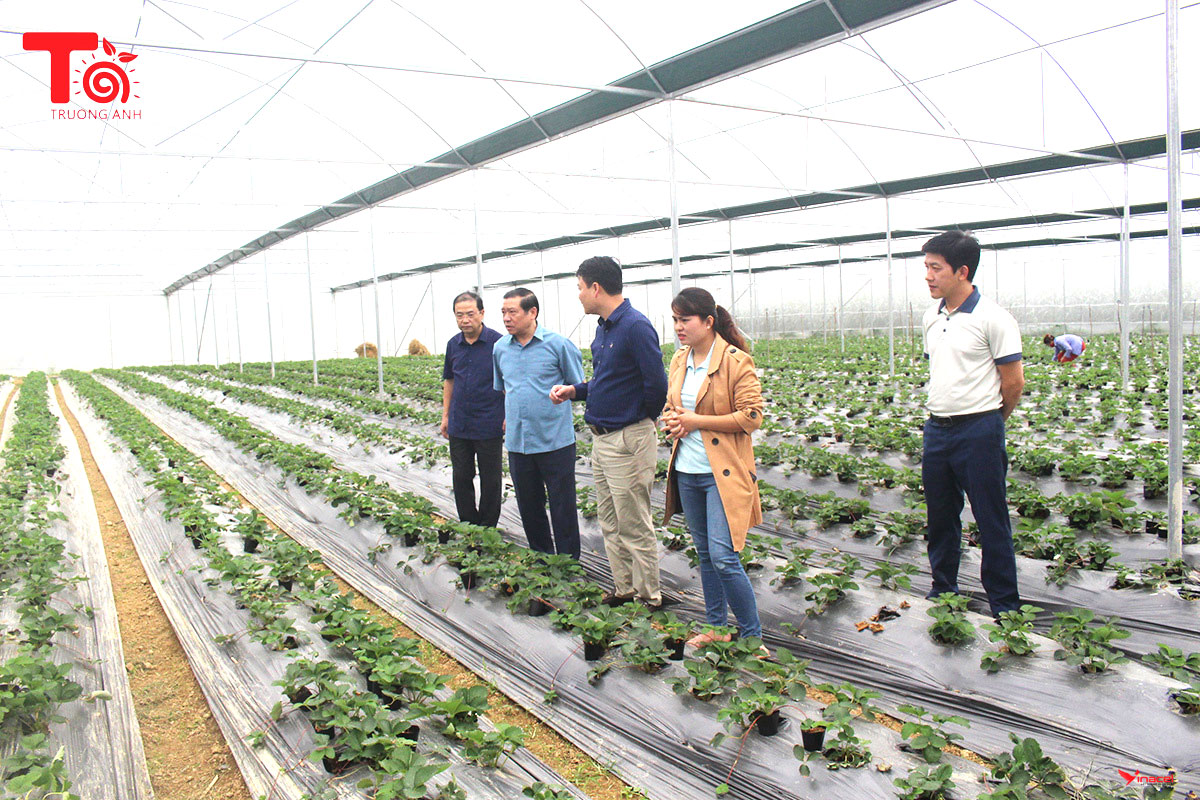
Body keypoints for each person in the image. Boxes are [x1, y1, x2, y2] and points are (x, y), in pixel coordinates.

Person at [550, 257, 668, 609]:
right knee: (610, 520)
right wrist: (575, 390)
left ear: (596, 288)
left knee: (633, 522)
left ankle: (648, 596)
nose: (579, 295)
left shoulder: (635, 327)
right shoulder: (604, 329)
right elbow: (606, 381)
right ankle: (624, 588)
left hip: (627, 438)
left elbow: (657, 385)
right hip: (602, 439)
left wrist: (641, 422)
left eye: (580, 287)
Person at [921, 231, 1025, 619]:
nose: (928, 276)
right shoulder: (931, 317)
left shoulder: (994, 318)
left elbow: (1013, 382)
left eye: (936, 268)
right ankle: (942, 589)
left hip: (979, 430)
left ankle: (1005, 606)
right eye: (926, 267)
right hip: (937, 430)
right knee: (940, 516)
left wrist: (990, 422)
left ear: (962, 272)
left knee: (990, 518)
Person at [660, 288, 765, 651]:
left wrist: (696, 421)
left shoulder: (735, 361)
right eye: (675, 320)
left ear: (707, 321)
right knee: (705, 554)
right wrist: (673, 420)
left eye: (685, 320)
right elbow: (673, 405)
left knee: (723, 556)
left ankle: (752, 637)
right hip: (687, 470)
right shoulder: (679, 359)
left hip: (723, 473)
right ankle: (717, 626)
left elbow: (752, 416)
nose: (678, 327)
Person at [492, 288, 585, 558]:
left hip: (555, 440)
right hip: (518, 442)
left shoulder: (559, 345)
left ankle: (568, 563)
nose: (506, 318)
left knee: (562, 506)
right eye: (503, 312)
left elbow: (578, 386)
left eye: (512, 312)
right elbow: (504, 388)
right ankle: (541, 559)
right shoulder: (500, 349)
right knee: (529, 506)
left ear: (532, 312)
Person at [440, 291, 505, 528]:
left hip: (489, 421)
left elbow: (509, 381)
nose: (465, 320)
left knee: (490, 479)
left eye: (470, 314)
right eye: (460, 315)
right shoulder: (453, 345)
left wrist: (508, 414)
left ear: (482, 313)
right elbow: (449, 380)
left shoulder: (498, 343)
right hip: (460, 422)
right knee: (461, 476)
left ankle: (487, 527)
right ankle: (468, 525)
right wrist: (445, 415)